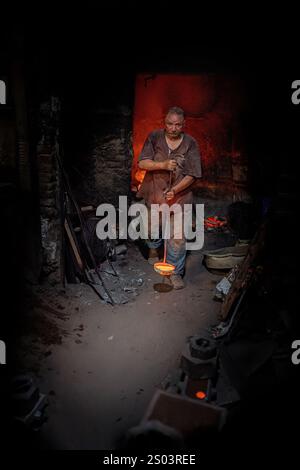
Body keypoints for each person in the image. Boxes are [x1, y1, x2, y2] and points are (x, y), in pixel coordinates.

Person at [137, 106, 202, 289]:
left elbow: (193, 174)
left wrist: (176, 189)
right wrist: (163, 164)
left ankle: (174, 272)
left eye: (178, 125)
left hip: (180, 197)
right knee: (151, 228)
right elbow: (142, 163)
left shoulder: (190, 143)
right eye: (170, 124)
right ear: (164, 123)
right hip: (155, 192)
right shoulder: (154, 137)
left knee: (178, 237)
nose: (173, 128)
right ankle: (153, 247)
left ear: (184, 124)